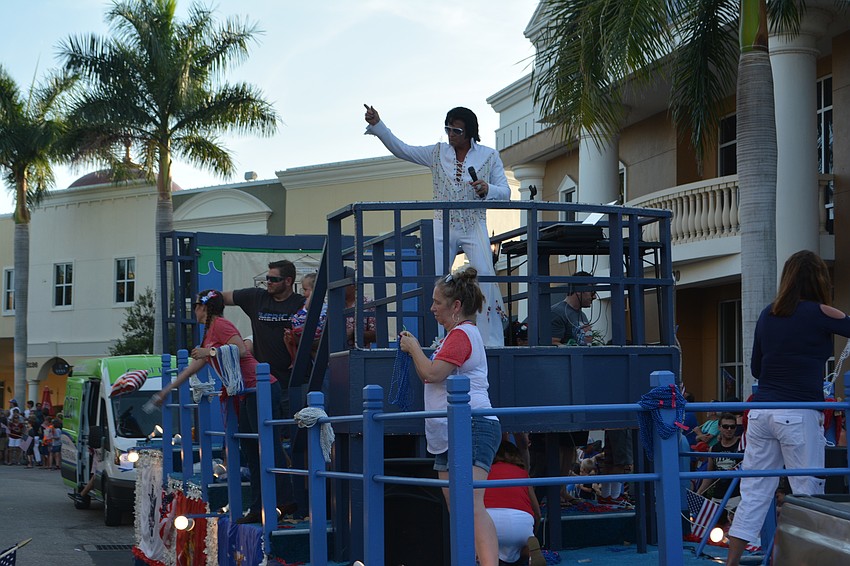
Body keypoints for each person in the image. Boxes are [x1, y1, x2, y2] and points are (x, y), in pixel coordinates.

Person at [726, 250, 850, 565]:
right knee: (808, 491)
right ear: (819, 279)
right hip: (798, 413)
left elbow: (756, 369)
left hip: (762, 413)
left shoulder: (768, 313)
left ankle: (731, 562)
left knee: (754, 492)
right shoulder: (820, 312)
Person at [364, 104, 509, 347]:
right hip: (443, 224)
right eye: (448, 129)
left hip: (474, 222)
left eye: (457, 130)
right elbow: (403, 149)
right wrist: (378, 125)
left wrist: (488, 189)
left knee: (485, 275)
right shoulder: (437, 152)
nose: (451, 134)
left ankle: (490, 340)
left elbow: (505, 192)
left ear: (470, 132)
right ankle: (443, 338)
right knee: (440, 281)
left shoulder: (489, 155)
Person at [154, 289, 297, 524]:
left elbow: (240, 349)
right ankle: (260, 505)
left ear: (204, 307)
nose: (194, 311)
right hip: (247, 392)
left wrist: (209, 351)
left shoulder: (221, 325)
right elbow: (193, 368)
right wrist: (167, 390)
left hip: (259, 388)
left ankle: (283, 499)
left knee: (265, 446)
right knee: (251, 449)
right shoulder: (210, 331)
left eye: (196, 306)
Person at [399, 267, 501, 566]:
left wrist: (414, 348)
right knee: (459, 506)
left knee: (469, 505)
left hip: (471, 425)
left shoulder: (460, 335)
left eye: (437, 302)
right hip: (452, 428)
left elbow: (432, 373)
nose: (432, 308)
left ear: (455, 306)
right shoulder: (457, 336)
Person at [483, 441, 545, 566]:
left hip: (490, 521)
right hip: (521, 521)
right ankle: (528, 551)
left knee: (482, 546)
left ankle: (480, 556)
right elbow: (537, 513)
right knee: (520, 546)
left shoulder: (483, 472)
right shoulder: (522, 474)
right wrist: (532, 532)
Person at [696, 412, 741, 501]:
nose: (729, 429)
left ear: (736, 428)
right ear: (719, 427)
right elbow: (710, 474)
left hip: (737, 497)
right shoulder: (713, 449)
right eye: (725, 426)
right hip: (717, 497)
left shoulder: (741, 446)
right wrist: (699, 493)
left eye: (732, 427)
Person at [551, 270, 597, 346]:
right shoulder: (557, 313)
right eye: (591, 292)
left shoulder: (582, 315)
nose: (594, 297)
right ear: (578, 291)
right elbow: (553, 343)